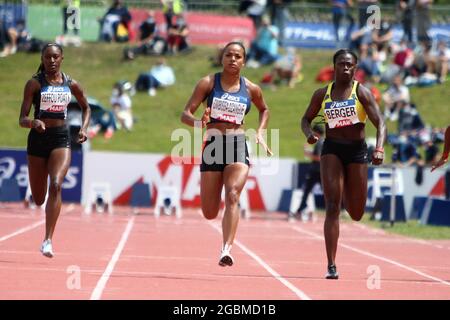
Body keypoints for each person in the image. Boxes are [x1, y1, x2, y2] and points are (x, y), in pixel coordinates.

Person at [181, 42, 272, 266]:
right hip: (213, 145)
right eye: (228, 55)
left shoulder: (251, 88)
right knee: (210, 212)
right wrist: (198, 123)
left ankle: (226, 249)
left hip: (237, 143)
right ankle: (222, 237)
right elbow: (185, 114)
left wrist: (260, 132)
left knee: (233, 195)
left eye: (238, 56)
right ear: (222, 59)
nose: (233, 59)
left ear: (244, 61)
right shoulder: (208, 83)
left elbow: (264, 109)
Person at [300, 49, 386, 279]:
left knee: (357, 212)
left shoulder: (362, 92)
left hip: (357, 152)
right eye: (341, 64)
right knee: (331, 206)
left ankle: (348, 189)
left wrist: (379, 148)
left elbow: (381, 123)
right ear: (334, 66)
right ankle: (331, 264)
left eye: (349, 65)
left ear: (355, 68)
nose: (345, 68)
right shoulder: (322, 93)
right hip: (332, 150)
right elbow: (305, 119)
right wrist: (309, 133)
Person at [18, 43, 91, 258]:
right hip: (38, 141)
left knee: (57, 185)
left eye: (55, 57)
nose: (52, 61)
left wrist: (84, 128)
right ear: (42, 59)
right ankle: (42, 212)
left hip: (61, 138)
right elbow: (22, 118)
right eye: (48, 57)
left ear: (62, 58)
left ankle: (48, 240)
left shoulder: (71, 84)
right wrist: (33, 123)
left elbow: (86, 107)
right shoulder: (34, 84)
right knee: (39, 198)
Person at [291, 124, 324, 221]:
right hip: (319, 171)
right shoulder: (323, 142)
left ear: (316, 132)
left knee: (307, 191)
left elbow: (318, 157)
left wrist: (308, 154)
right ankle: (300, 210)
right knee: (309, 191)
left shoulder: (319, 143)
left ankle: (300, 210)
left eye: (313, 132)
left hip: (316, 171)